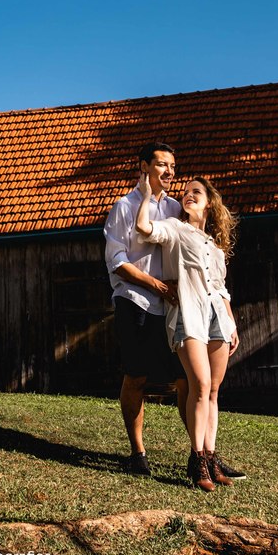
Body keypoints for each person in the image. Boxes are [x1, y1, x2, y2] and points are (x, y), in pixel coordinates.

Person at [135, 173, 242, 491]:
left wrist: (231, 322)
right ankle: (197, 460)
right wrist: (144, 195)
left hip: (217, 318)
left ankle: (210, 458)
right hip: (187, 314)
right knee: (200, 383)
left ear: (209, 203)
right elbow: (144, 228)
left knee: (213, 392)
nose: (188, 195)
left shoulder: (214, 245)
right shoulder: (174, 229)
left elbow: (221, 289)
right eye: (185, 192)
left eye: (196, 192)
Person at [103, 143, 188, 476]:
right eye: (162, 165)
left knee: (186, 379)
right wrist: (157, 287)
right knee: (136, 376)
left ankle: (202, 452)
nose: (169, 171)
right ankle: (137, 454)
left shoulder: (178, 208)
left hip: (173, 307)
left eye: (173, 166)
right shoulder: (124, 207)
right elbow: (117, 261)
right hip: (135, 302)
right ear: (143, 167)